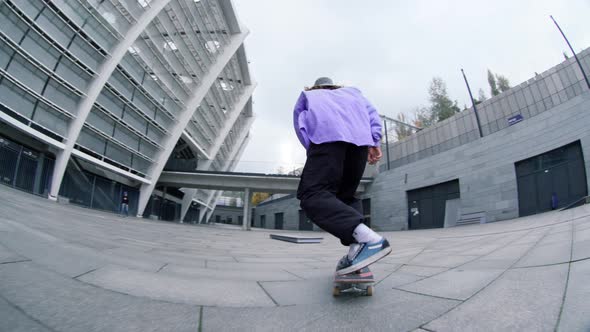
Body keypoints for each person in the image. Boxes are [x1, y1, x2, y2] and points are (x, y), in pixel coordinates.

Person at [293, 77, 391, 275]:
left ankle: (370, 241)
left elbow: (301, 125)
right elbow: (372, 115)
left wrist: (314, 153)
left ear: (316, 86)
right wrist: (374, 142)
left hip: (327, 139)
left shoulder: (309, 95)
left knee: (312, 194)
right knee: (345, 198)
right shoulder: (354, 93)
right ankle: (357, 251)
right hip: (359, 144)